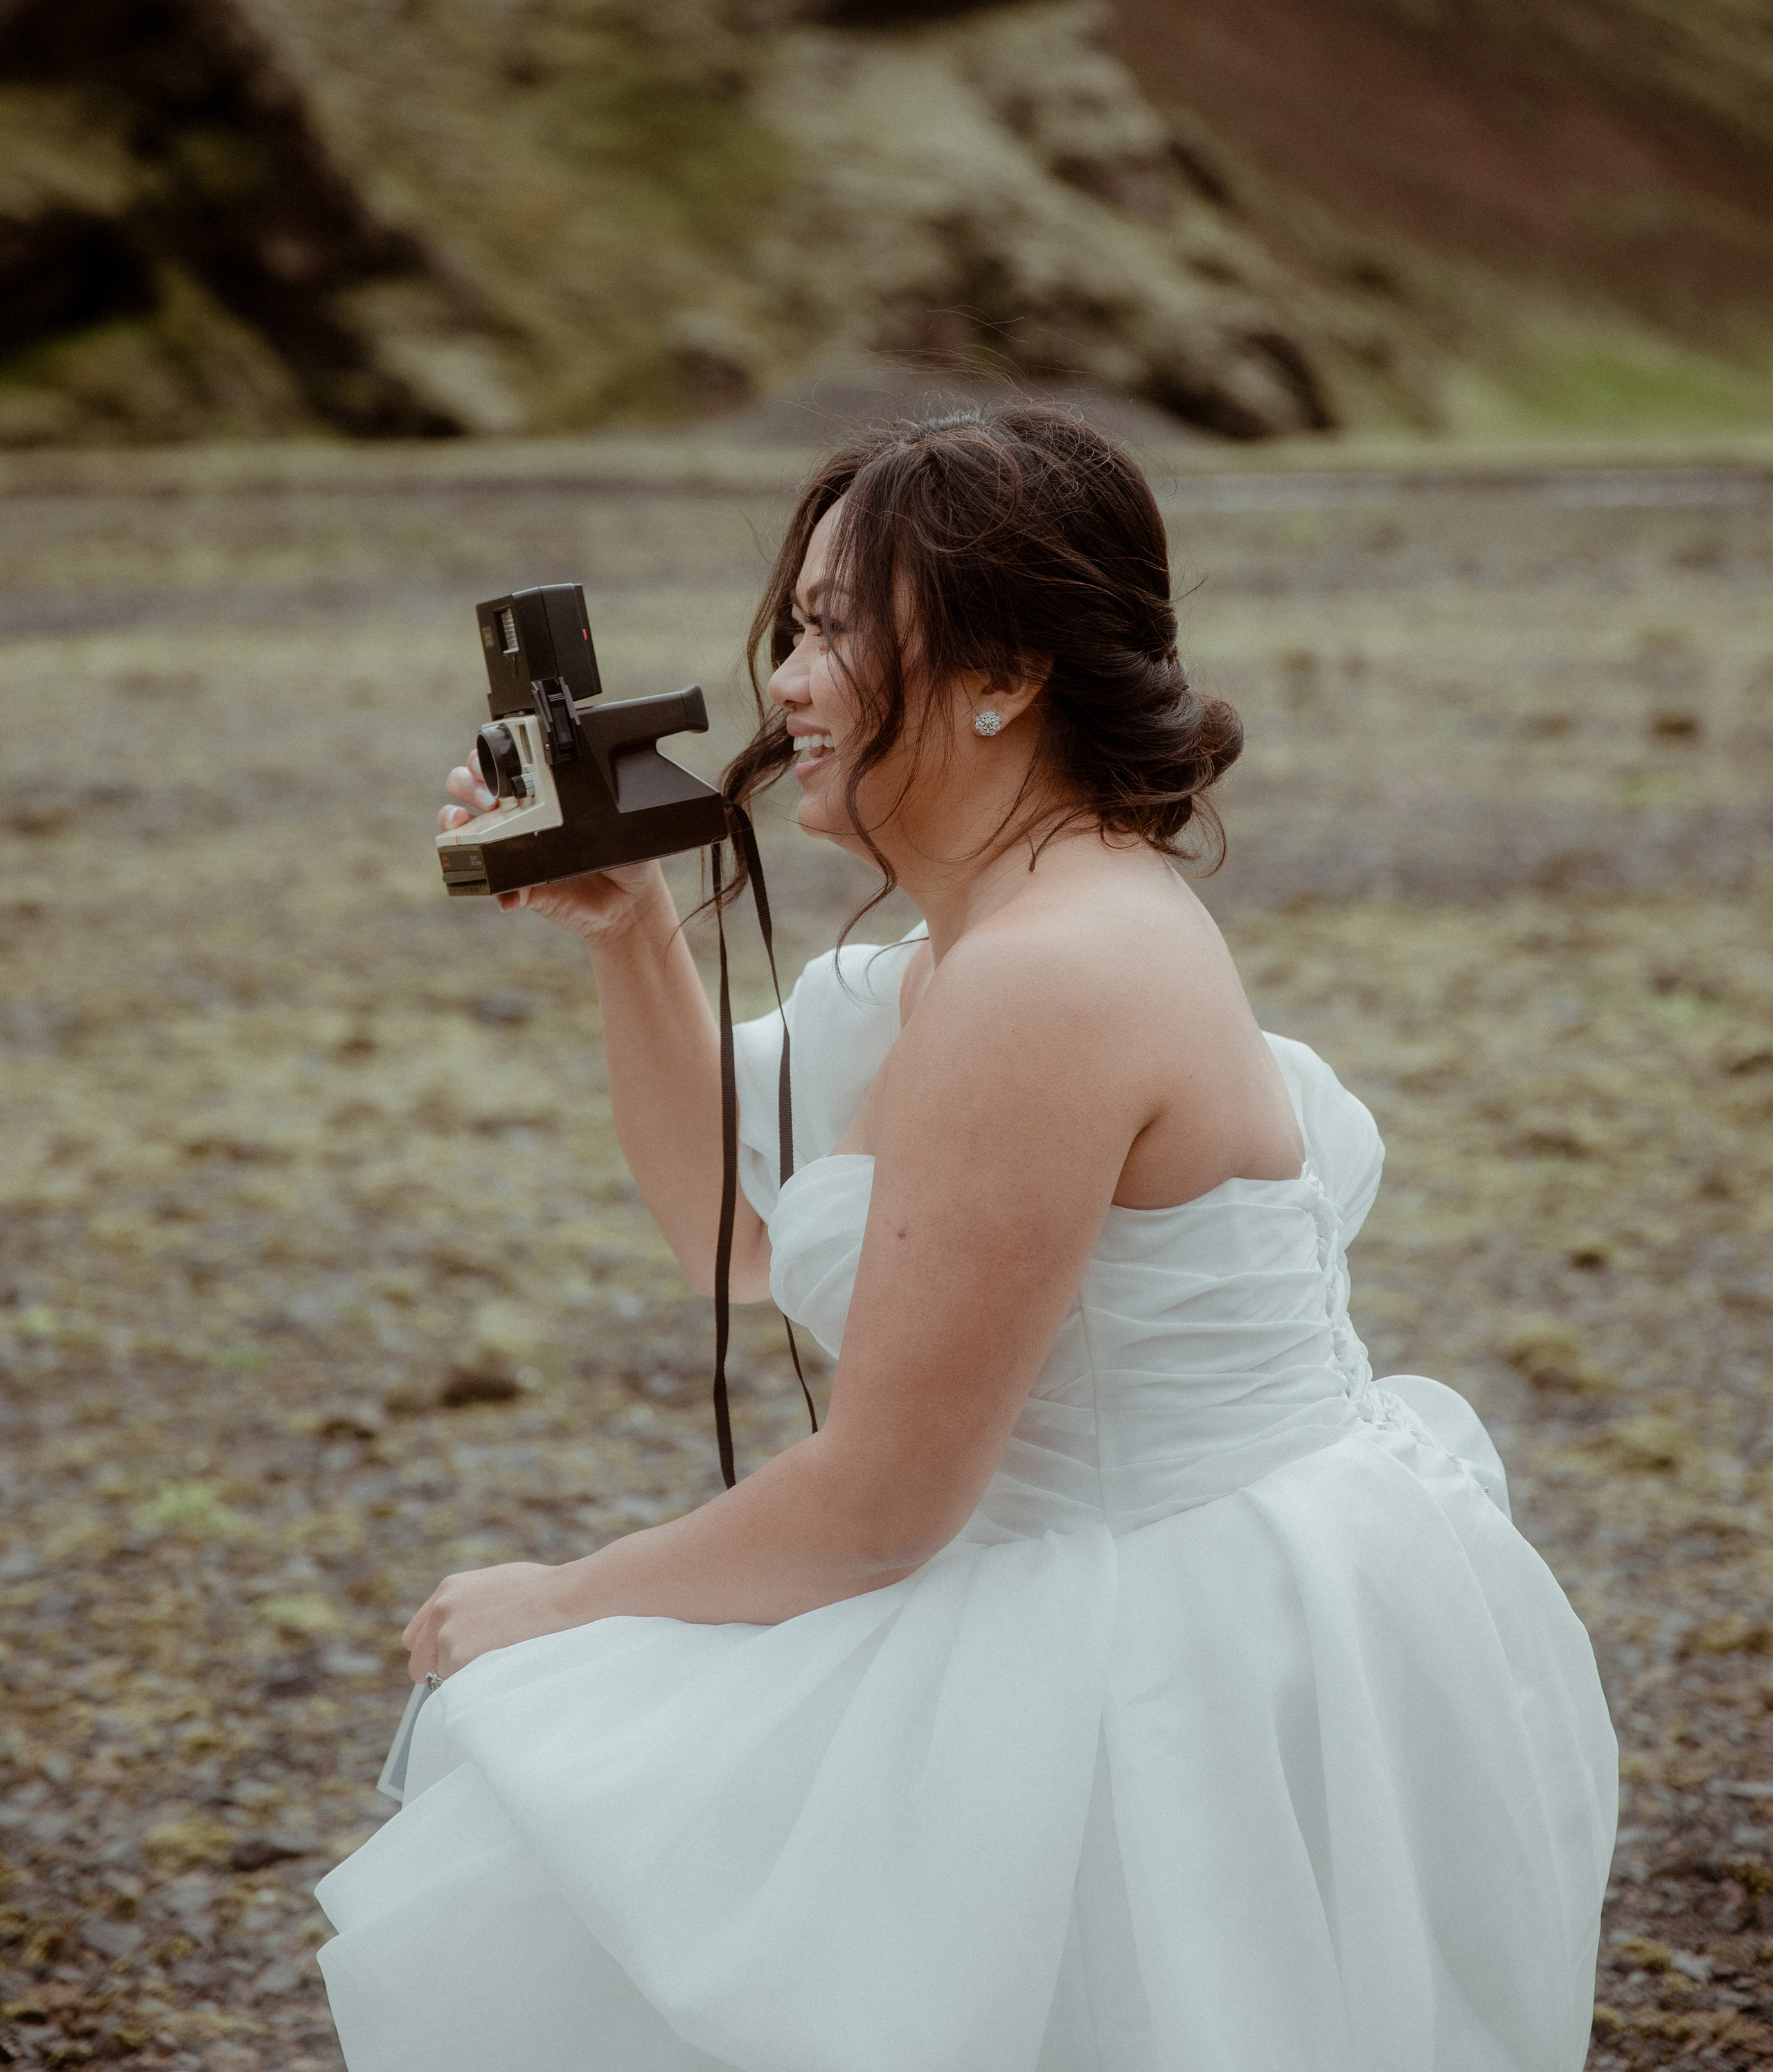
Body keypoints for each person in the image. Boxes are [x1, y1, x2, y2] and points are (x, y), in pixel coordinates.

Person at [317, 405, 1616, 2072]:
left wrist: (558, 1600)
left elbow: (879, 1505)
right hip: (1147, 1571)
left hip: (1158, 1654)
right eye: (792, 624)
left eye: (838, 627)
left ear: (1001, 672)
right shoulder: (976, 946)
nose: (786, 677)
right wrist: (630, 933)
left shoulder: (1042, 982)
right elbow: (728, 1240)